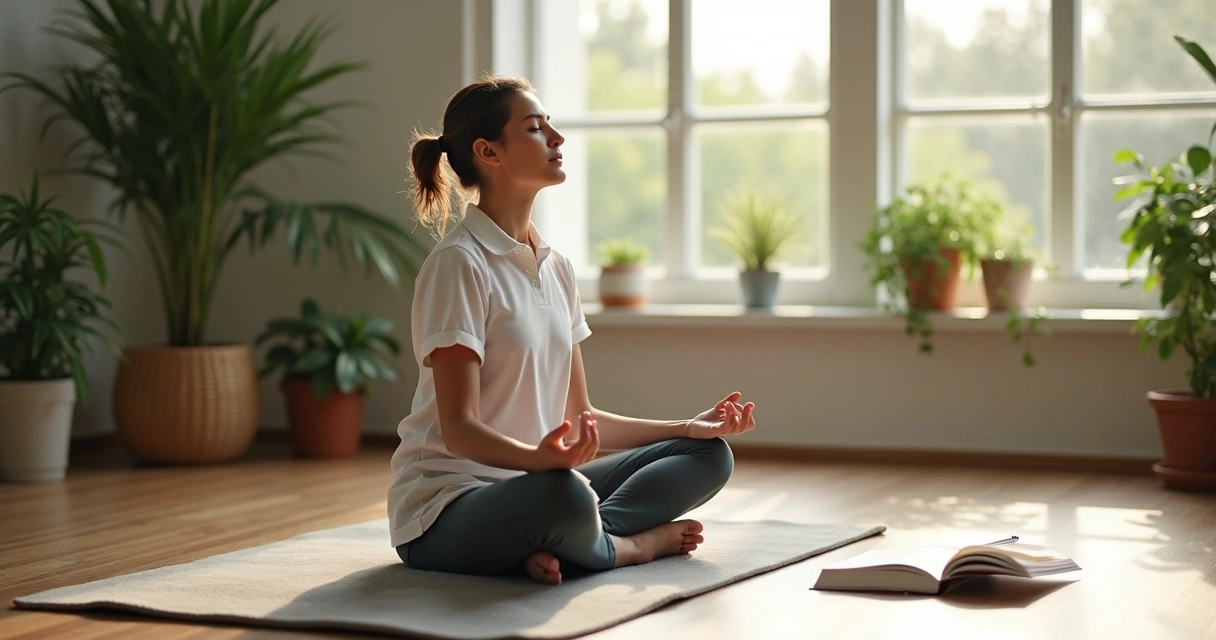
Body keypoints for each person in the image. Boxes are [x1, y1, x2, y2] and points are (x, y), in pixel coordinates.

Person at [389, 75, 757, 585]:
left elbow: (582, 419)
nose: (557, 139)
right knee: (563, 492)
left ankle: (565, 540)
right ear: (488, 152)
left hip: (538, 484)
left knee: (709, 456)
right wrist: (539, 462)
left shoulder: (556, 268)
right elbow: (459, 428)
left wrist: (685, 427)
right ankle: (627, 548)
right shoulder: (459, 264)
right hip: (447, 507)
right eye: (537, 129)